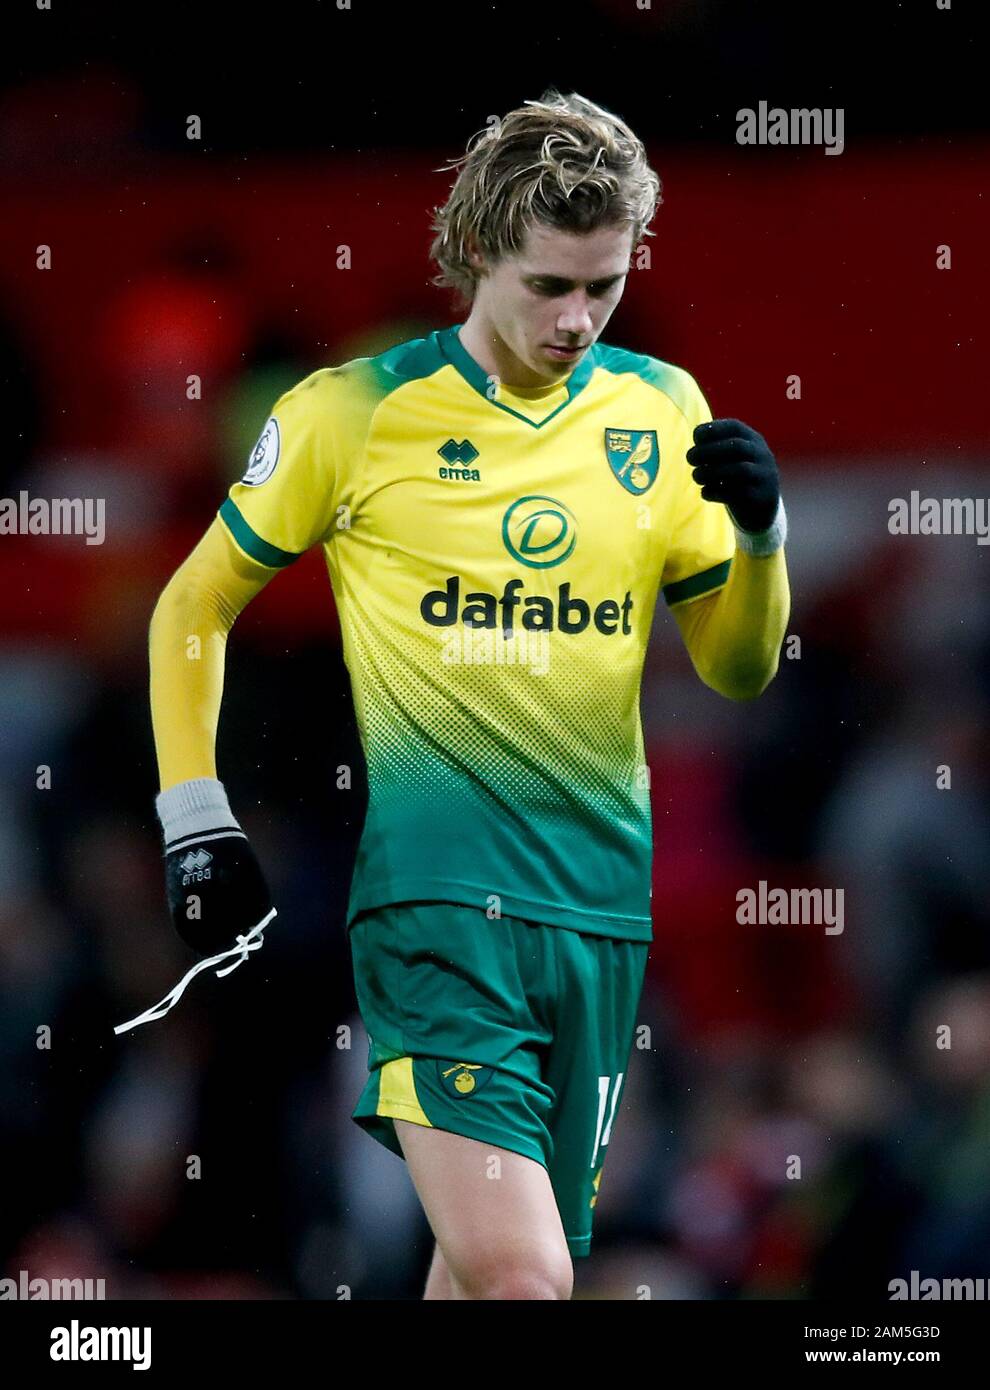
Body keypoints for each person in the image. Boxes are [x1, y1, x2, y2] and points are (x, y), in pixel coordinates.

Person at [148, 89, 790, 1300]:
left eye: (602, 286)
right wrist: (196, 813)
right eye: (551, 285)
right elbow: (192, 606)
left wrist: (760, 535)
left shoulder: (659, 410)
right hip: (436, 907)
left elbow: (737, 666)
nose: (578, 318)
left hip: (600, 910)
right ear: (479, 251)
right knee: (523, 1277)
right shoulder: (353, 411)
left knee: (477, 1273)